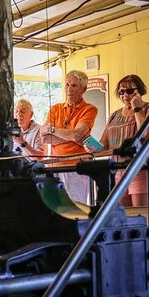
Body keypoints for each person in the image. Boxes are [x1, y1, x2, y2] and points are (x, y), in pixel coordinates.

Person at [38, 70, 98, 204]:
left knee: (75, 208)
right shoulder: (55, 109)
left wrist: (52, 130)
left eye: (74, 85)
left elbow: (77, 134)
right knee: (55, 209)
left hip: (76, 168)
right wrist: (72, 137)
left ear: (84, 89)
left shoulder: (89, 109)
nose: (69, 89)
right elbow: (45, 139)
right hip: (54, 167)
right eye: (67, 85)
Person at [100, 75, 149, 206]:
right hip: (117, 169)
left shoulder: (148, 108)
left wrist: (136, 108)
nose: (125, 95)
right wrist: (90, 145)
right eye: (121, 92)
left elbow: (145, 132)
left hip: (138, 168)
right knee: (124, 215)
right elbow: (104, 143)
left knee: (141, 213)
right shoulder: (114, 115)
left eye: (130, 91)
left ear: (139, 91)